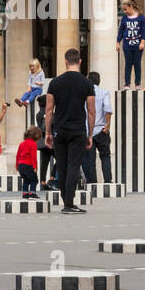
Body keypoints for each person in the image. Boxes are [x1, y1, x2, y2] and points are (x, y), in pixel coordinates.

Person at [45, 47, 96, 214]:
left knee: (62, 165)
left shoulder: (55, 82)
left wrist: (47, 132)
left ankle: (66, 201)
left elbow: (49, 110)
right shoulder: (87, 83)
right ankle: (68, 203)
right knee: (74, 165)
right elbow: (91, 111)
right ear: (80, 62)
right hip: (78, 130)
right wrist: (90, 134)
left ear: (65, 61)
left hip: (59, 129)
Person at [82, 71, 113, 185]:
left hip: (87, 130)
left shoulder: (83, 94)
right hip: (101, 130)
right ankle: (108, 181)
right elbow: (108, 110)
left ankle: (92, 183)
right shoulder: (104, 93)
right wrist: (108, 125)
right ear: (99, 81)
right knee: (105, 156)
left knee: (90, 159)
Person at [116, 0, 145, 90]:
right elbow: (121, 31)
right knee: (128, 64)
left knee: (137, 63)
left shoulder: (141, 17)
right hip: (127, 45)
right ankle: (127, 84)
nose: (124, 12)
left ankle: (137, 84)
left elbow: (144, 30)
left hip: (137, 45)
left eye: (125, 9)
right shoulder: (125, 18)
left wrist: (142, 42)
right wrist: (118, 42)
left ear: (131, 7)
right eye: (123, 10)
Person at [16, 125, 41, 197]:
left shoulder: (22, 143)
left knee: (26, 180)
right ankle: (32, 193)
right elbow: (33, 156)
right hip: (28, 165)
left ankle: (25, 193)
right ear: (36, 135)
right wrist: (35, 167)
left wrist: (17, 166)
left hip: (21, 165)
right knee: (34, 180)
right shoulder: (33, 144)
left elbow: (18, 155)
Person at [35, 110, 56, 190]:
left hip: (42, 143)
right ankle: (52, 177)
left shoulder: (38, 115)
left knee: (44, 163)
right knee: (61, 159)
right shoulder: (50, 113)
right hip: (51, 141)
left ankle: (43, 181)